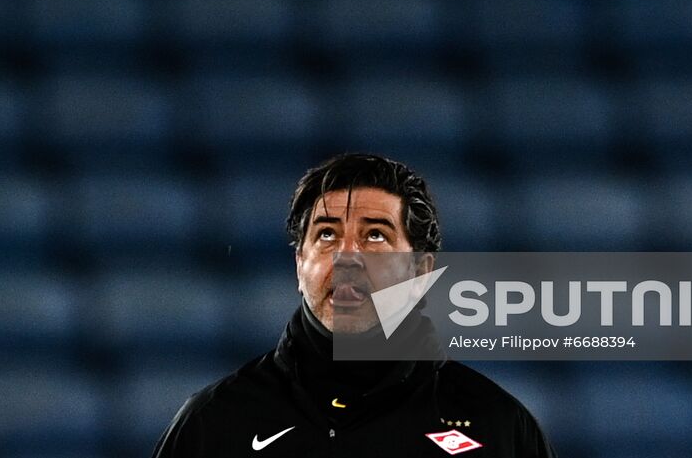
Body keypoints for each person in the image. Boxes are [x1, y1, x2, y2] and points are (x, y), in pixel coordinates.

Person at [152, 152, 556, 456]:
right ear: (299, 264)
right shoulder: (214, 424)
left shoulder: (497, 428)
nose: (347, 256)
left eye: (375, 236)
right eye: (327, 235)